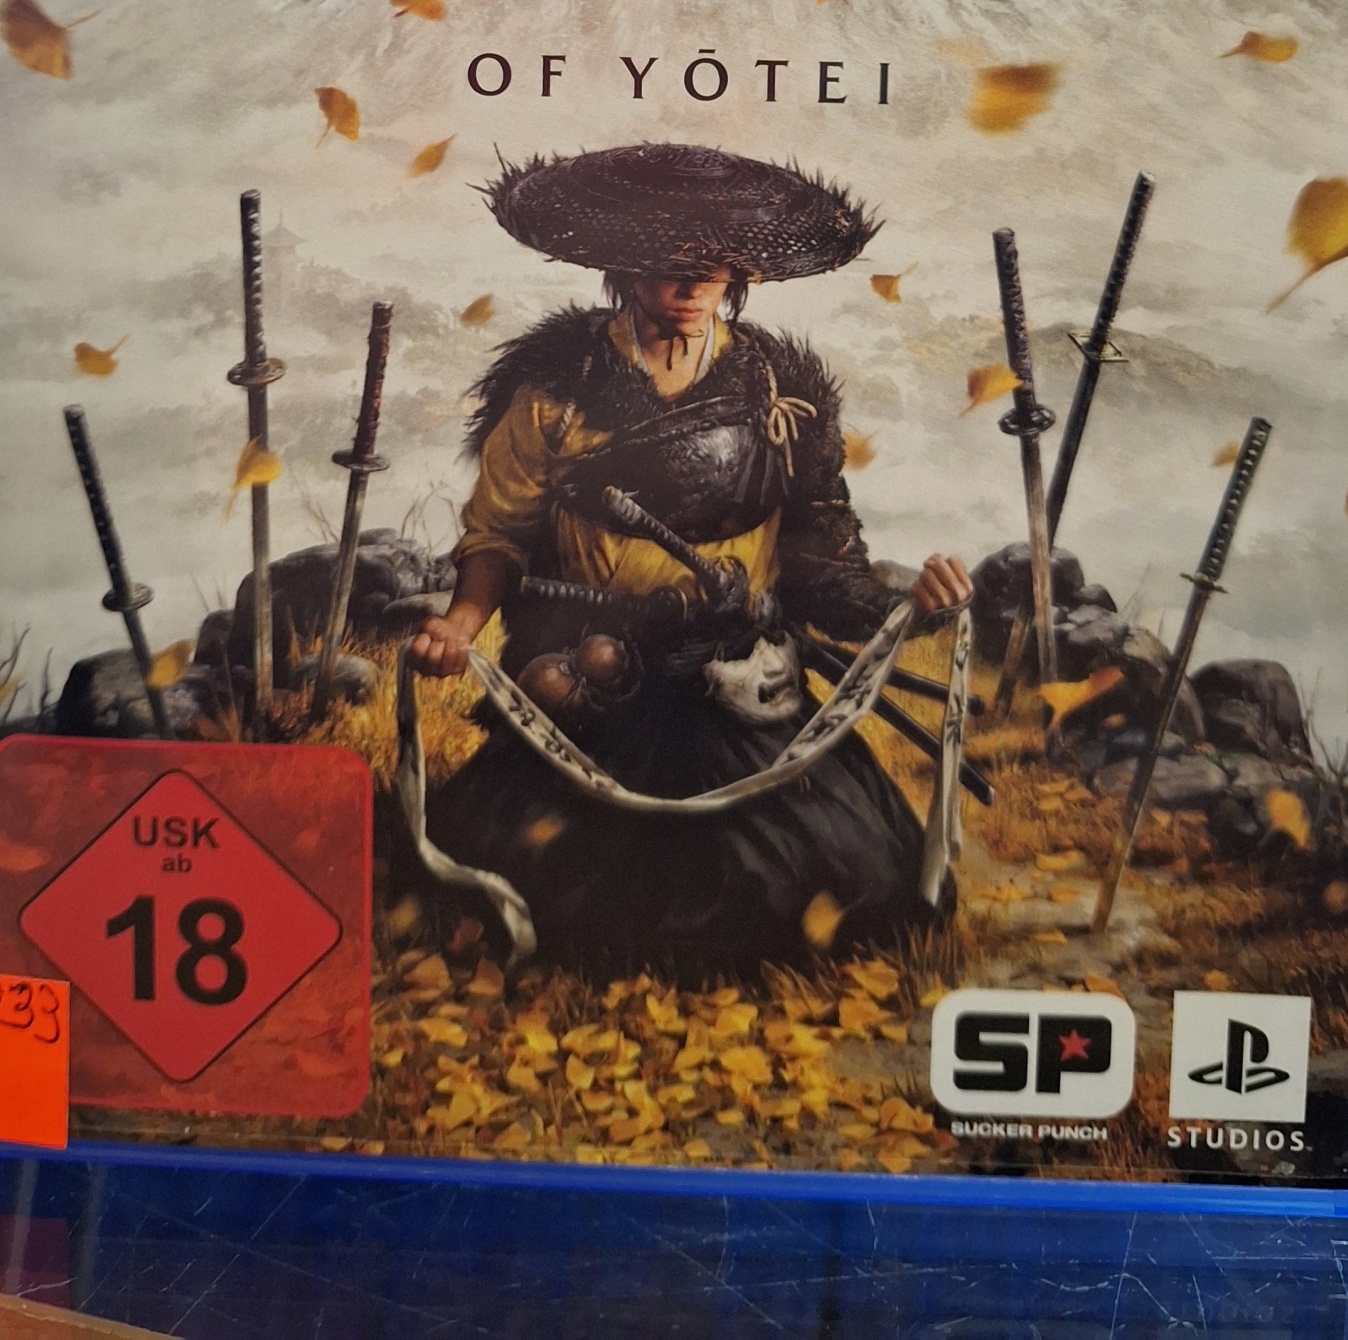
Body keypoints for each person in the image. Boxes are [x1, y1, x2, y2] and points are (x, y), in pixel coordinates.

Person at [410, 142, 972, 980]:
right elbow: (498, 534)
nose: (691, 280)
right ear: (626, 263)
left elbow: (821, 560)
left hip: (734, 677)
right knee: (547, 883)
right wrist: (459, 624)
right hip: (598, 679)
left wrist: (912, 606)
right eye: (669, 257)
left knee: (847, 881)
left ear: (739, 268)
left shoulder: (783, 394)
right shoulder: (557, 390)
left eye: (711, 260)